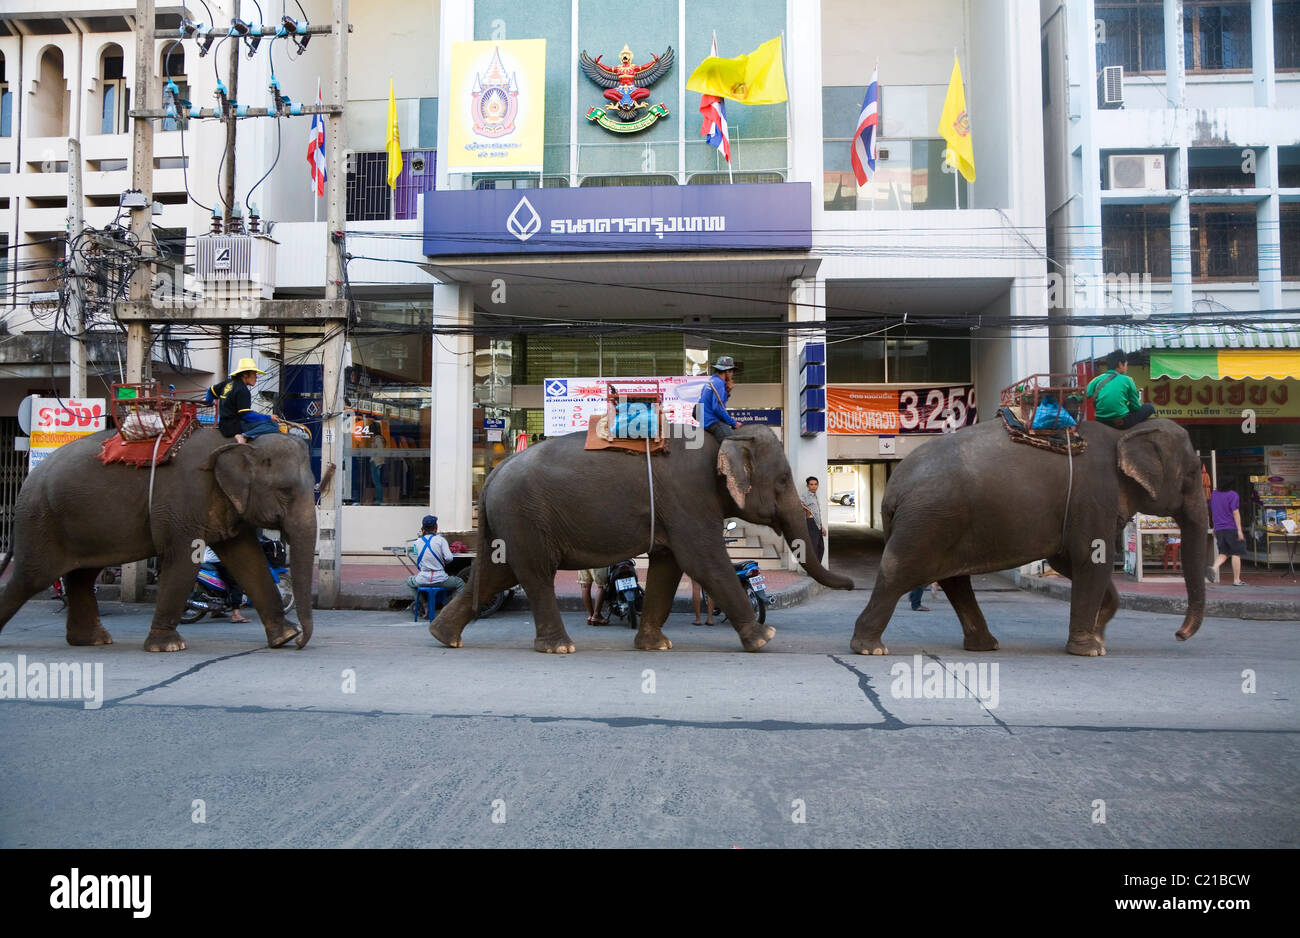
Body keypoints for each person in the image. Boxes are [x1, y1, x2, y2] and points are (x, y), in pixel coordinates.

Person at [207, 357, 281, 444]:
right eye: (254, 374)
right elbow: (246, 416)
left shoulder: (227, 383)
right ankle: (244, 436)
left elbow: (210, 391)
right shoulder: (243, 390)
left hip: (223, 425)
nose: (256, 377)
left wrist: (209, 402)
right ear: (245, 375)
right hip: (235, 427)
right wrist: (268, 417)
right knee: (274, 425)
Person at [1084, 349, 1155, 430]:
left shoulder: (1096, 380)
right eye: (1126, 365)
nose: (1126, 368)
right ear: (1120, 364)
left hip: (1100, 420)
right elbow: (1136, 407)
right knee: (1149, 407)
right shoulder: (1127, 380)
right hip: (1120, 422)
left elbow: (1087, 394)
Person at [407, 515, 465, 609]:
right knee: (460, 583)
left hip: (422, 579)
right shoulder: (441, 540)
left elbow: (416, 555)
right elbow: (449, 558)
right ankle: (452, 608)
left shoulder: (416, 542)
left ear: (422, 528)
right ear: (436, 527)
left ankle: (424, 604)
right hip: (440, 579)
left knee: (409, 581)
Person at [1209, 476, 1249, 586]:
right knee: (1236, 553)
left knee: (1224, 552)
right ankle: (1236, 580)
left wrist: (1214, 527)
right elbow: (1235, 513)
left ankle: (1214, 568)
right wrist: (1239, 530)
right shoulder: (1233, 495)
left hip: (1219, 529)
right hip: (1231, 528)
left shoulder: (1214, 495)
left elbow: (1213, 511)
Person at [698, 355, 743, 443]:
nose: (732, 374)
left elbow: (719, 402)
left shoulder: (711, 381)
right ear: (727, 372)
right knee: (734, 444)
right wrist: (734, 423)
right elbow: (717, 408)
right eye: (732, 371)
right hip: (712, 422)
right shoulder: (719, 383)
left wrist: (728, 391)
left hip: (704, 420)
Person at [201, 546, 249, 623]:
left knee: (224, 581)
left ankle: (217, 611)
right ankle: (236, 614)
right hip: (218, 560)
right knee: (236, 583)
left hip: (206, 559)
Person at [801, 477, 826, 563]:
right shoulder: (806, 495)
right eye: (811, 484)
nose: (814, 486)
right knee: (813, 547)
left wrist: (822, 526)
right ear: (807, 486)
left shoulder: (815, 496)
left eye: (815, 484)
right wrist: (807, 510)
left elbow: (817, 513)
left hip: (817, 524)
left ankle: (817, 567)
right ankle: (813, 569)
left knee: (821, 547)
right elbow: (797, 503)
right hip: (811, 523)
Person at [368, 421, 386, 505]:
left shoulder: (377, 439)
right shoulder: (379, 438)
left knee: (377, 482)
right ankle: (379, 499)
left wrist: (376, 461)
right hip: (377, 462)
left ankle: (380, 500)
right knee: (377, 481)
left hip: (376, 462)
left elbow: (380, 450)